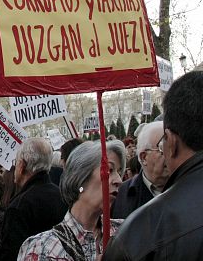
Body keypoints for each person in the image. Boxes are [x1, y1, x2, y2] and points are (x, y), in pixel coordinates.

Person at [103, 71, 203, 260]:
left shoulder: (138, 235)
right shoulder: (131, 211)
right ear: (142, 157)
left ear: (171, 142)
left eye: (162, 142)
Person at [18, 139, 125, 260]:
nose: (119, 180)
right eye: (109, 170)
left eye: (119, 172)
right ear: (81, 179)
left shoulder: (126, 232)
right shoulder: (42, 248)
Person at [0, 138, 67, 261]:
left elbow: (10, 254)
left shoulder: (19, 206)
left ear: (22, 165)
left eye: (16, 162)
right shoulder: (63, 196)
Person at [111, 121, 168, 219]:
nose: (171, 154)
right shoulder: (120, 196)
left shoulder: (190, 185)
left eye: (174, 147)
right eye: (162, 148)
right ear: (144, 157)